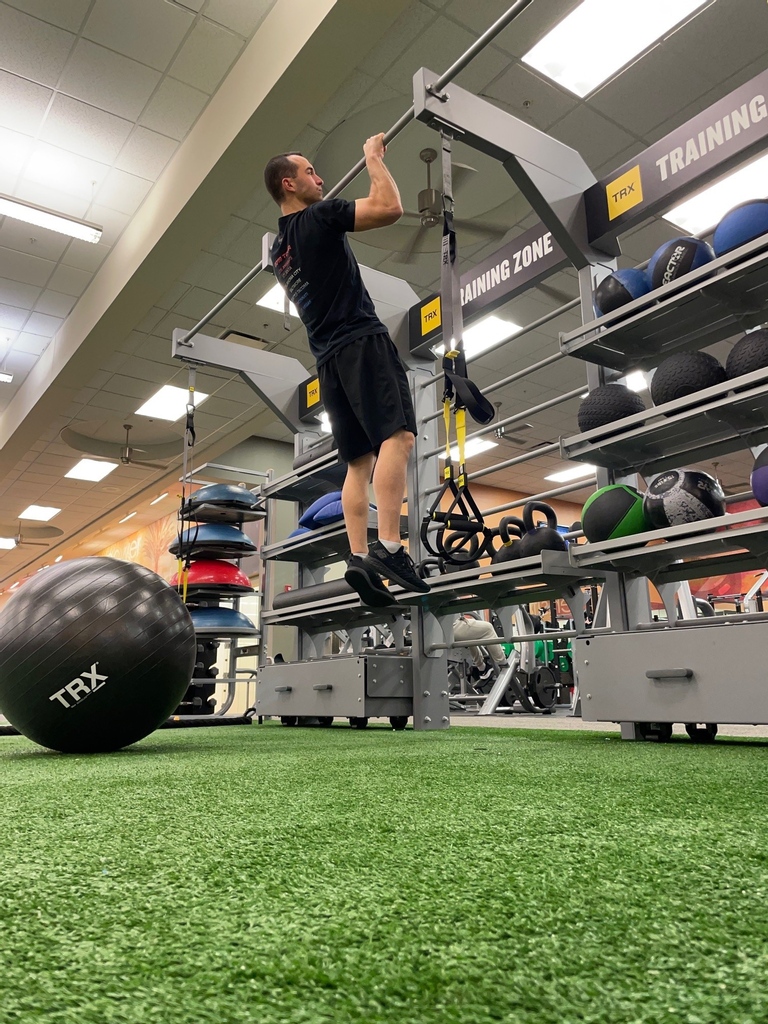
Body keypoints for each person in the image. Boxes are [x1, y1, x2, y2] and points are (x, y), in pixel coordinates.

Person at [264, 136, 429, 606]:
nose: (319, 177)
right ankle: (392, 549)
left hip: (328, 362)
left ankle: (359, 558)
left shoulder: (280, 251)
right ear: (288, 182)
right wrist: (373, 160)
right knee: (398, 438)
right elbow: (390, 207)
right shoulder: (318, 216)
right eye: (310, 171)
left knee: (359, 462)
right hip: (361, 343)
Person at [453, 611, 507, 683]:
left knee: (470, 633)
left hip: (444, 629)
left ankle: (482, 668)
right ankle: (503, 664)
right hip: (452, 627)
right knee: (488, 628)